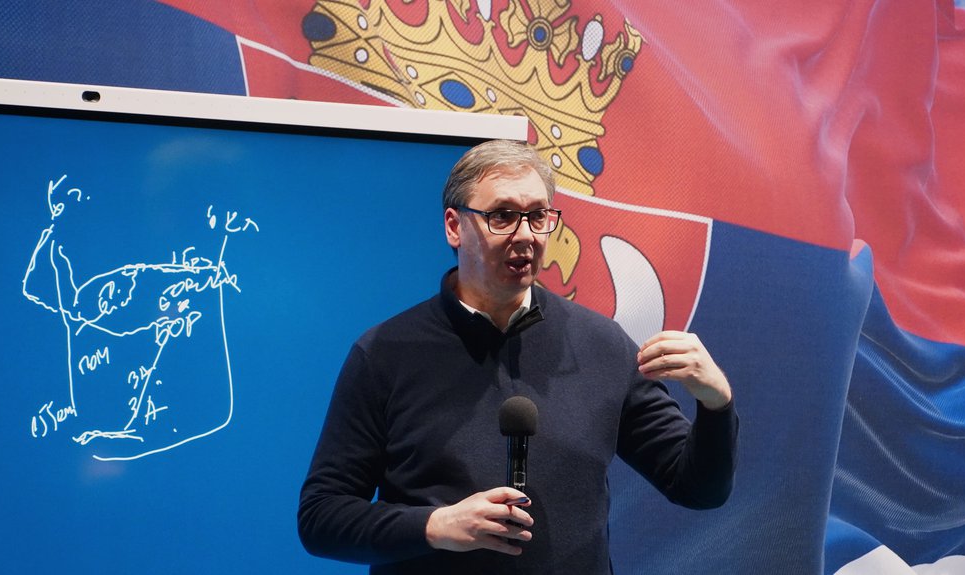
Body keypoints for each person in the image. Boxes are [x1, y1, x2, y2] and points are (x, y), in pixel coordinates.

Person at [298, 140, 738, 574]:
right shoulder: (385, 354)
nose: (525, 235)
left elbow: (697, 488)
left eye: (538, 216)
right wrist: (435, 526)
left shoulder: (603, 344)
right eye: (503, 216)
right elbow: (322, 517)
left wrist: (716, 403)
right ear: (454, 226)